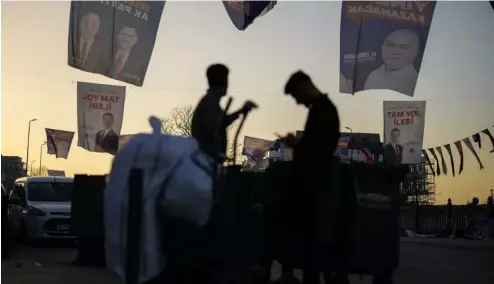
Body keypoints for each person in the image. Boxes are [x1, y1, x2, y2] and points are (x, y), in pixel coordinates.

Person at [278, 71, 341, 284]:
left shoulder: (323, 111)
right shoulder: (321, 110)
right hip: (313, 186)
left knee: (312, 246)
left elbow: (319, 150)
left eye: (297, 96)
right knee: (309, 247)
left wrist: (298, 146)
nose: (298, 102)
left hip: (314, 187)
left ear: (304, 87)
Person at [191, 63, 258, 161]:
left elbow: (220, 122)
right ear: (223, 81)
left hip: (210, 159)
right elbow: (216, 126)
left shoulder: (210, 102)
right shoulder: (210, 101)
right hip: (209, 160)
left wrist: (242, 110)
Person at [364, 29, 420, 97]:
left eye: (403, 47)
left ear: (415, 53)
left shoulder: (417, 82)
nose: (395, 52)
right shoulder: (373, 75)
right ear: (382, 48)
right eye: (390, 45)